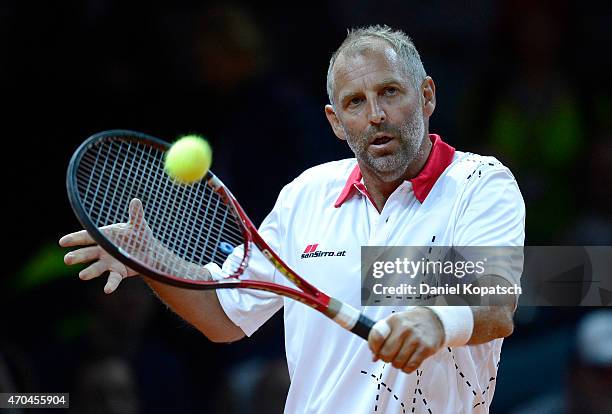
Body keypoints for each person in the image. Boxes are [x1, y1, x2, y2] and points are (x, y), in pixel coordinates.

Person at [60, 25, 525, 413]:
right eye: (355, 102)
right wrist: (150, 260)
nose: (376, 115)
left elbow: (496, 304)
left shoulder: (480, 183)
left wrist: (437, 322)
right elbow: (223, 316)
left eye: (390, 92)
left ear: (426, 96)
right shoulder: (306, 195)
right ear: (335, 122)